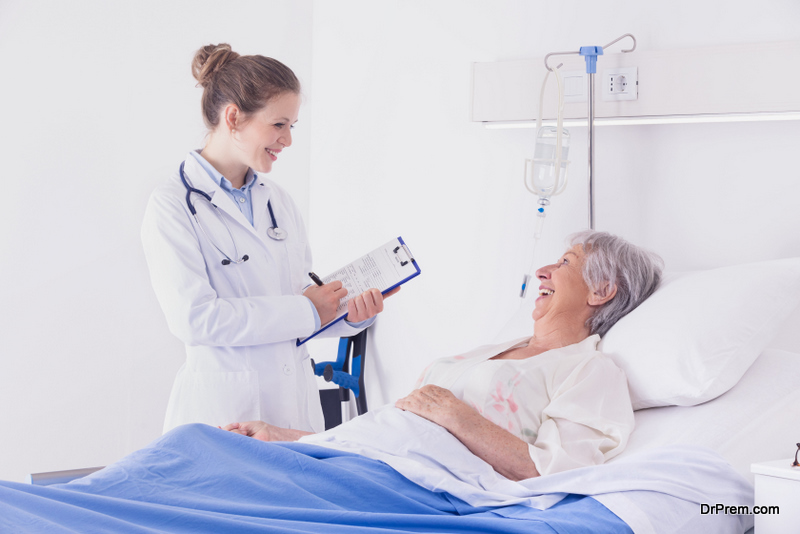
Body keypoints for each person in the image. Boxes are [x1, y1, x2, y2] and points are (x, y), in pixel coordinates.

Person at [224, 230, 664, 481]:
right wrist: (289, 438)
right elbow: (393, 433)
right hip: (364, 463)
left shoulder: (590, 371)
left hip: (409, 489)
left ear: (602, 291)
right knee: (202, 452)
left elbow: (558, 472)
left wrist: (458, 415)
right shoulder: (490, 351)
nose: (543, 270)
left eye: (566, 263)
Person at [141, 43, 394, 434]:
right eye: (279, 125)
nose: (287, 140)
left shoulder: (278, 201)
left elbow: (299, 305)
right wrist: (307, 310)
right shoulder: (172, 204)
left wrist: (349, 317)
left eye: (292, 126)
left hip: (294, 409)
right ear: (233, 117)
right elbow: (195, 319)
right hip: (224, 414)